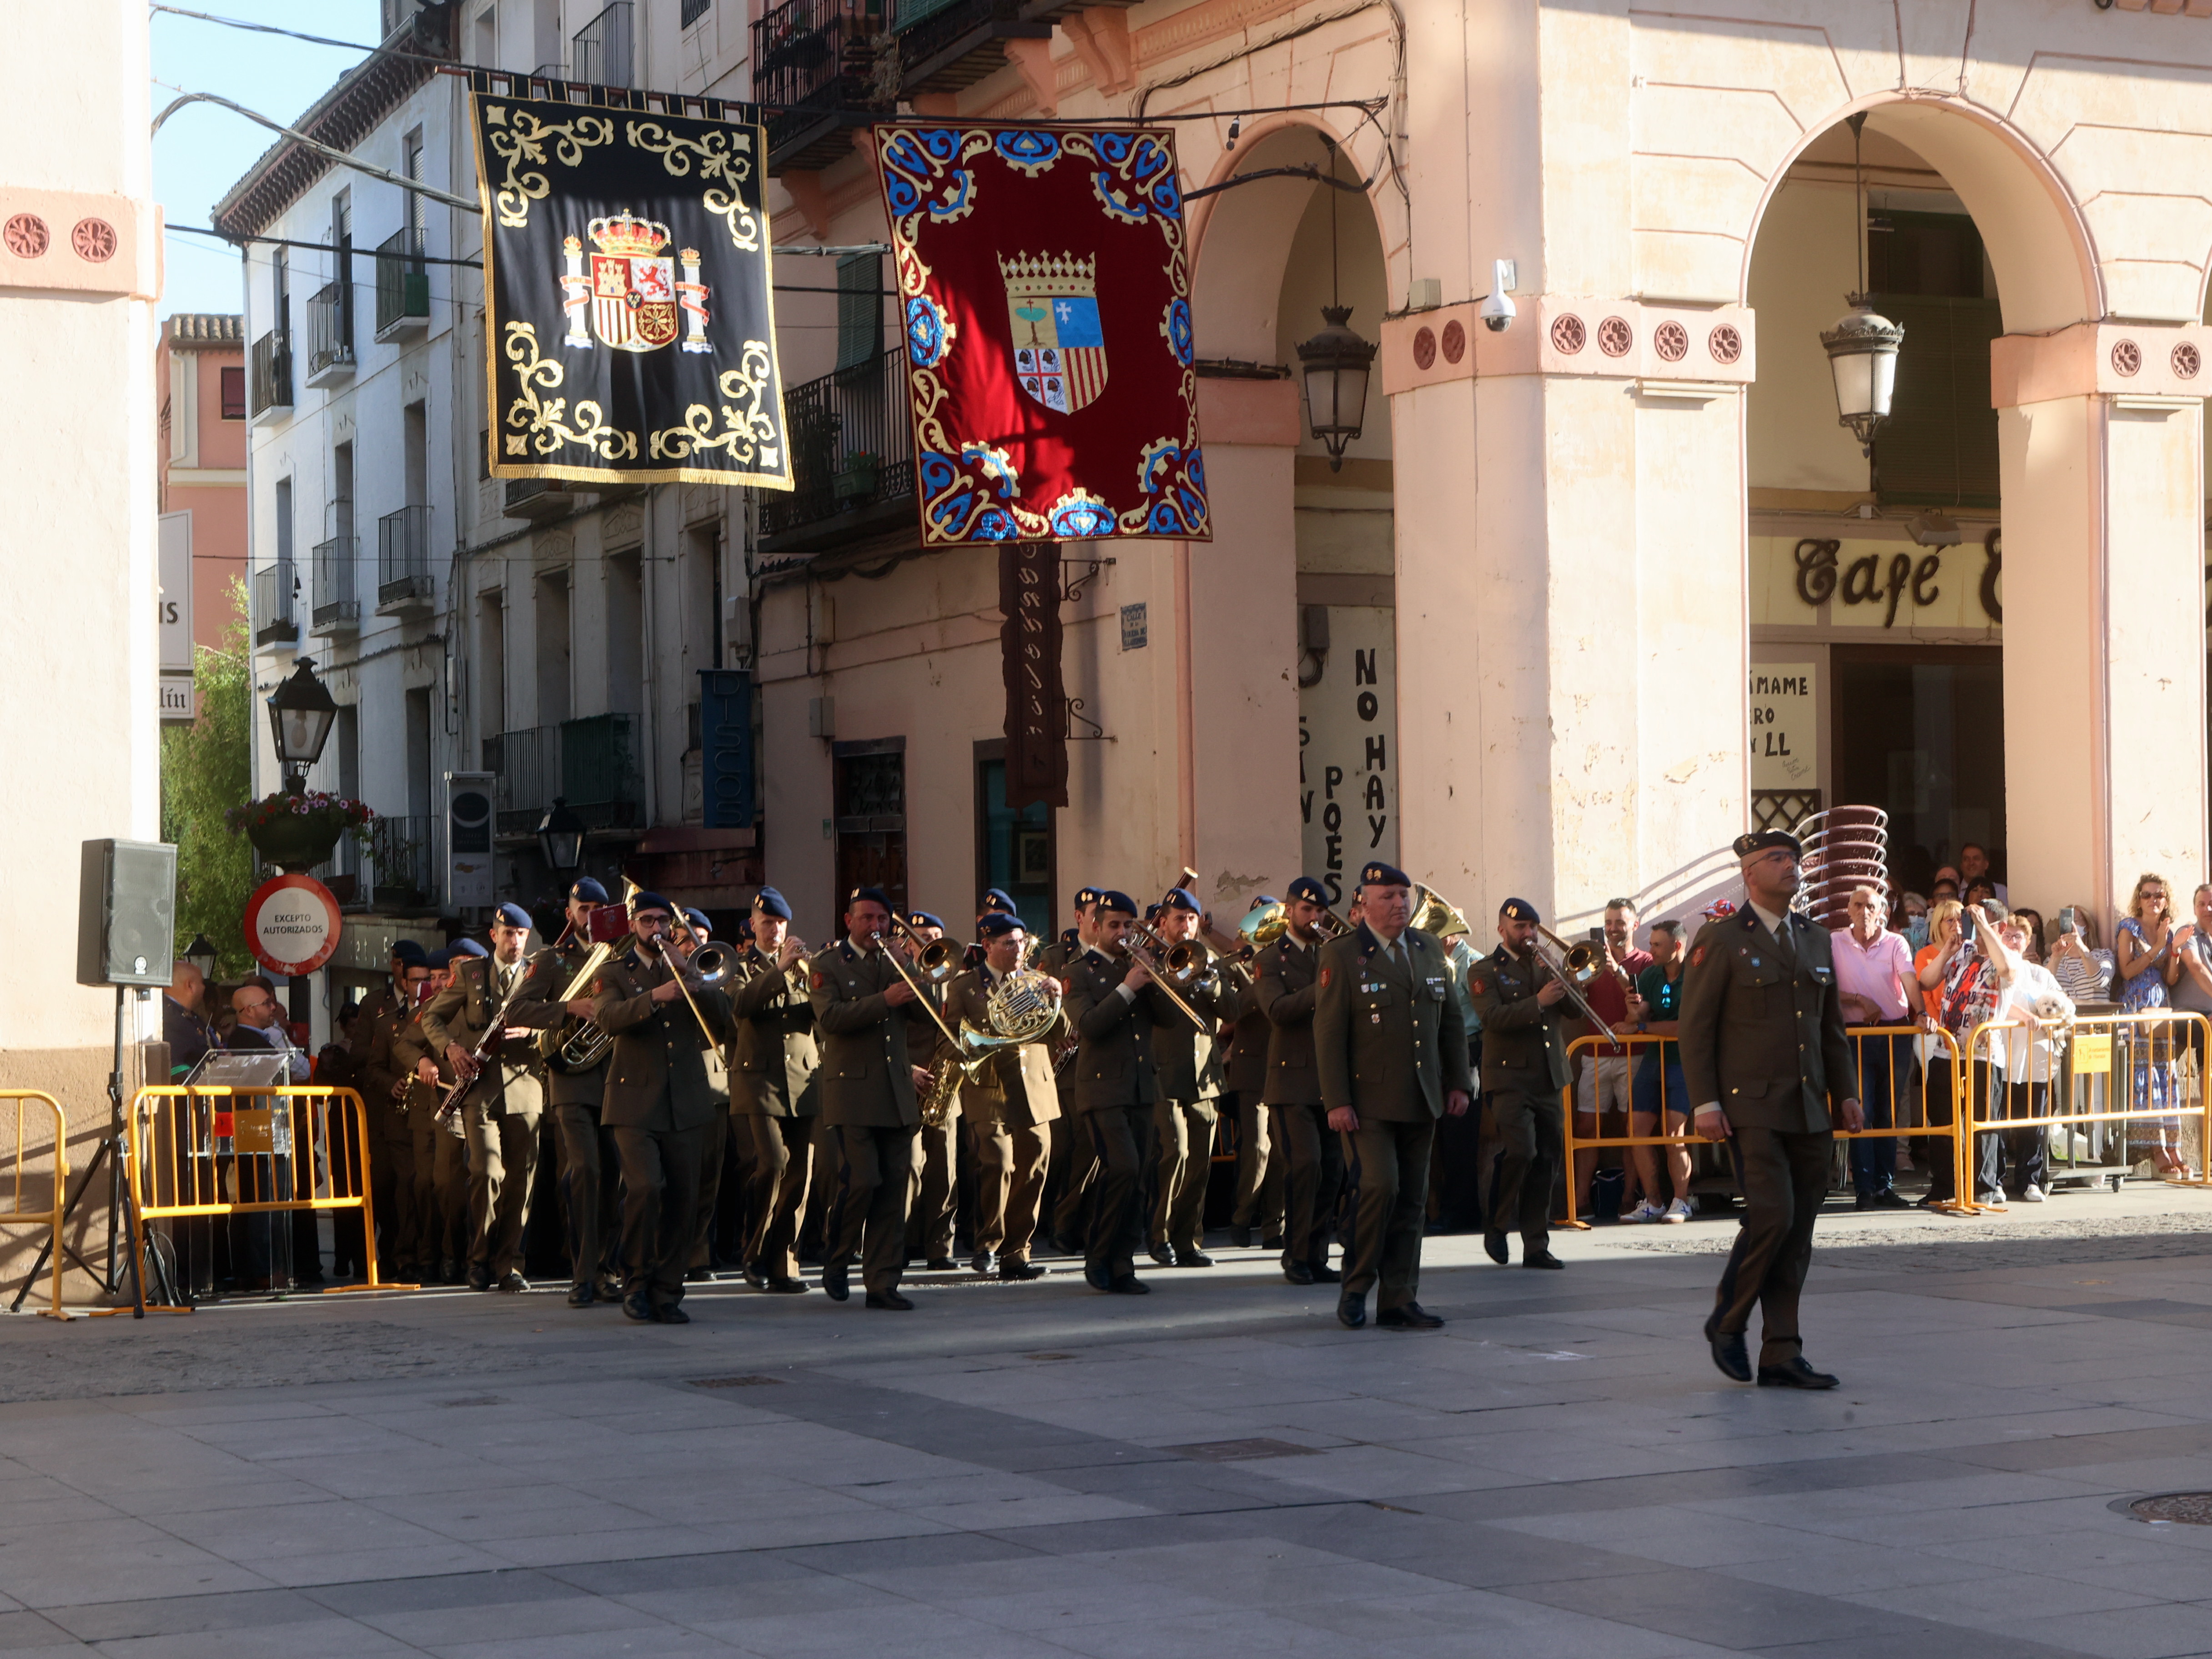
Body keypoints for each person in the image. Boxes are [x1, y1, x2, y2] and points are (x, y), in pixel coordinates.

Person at [1679, 830, 1862, 1389]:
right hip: (1749, 1106)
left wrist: (1847, 1091)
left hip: (1808, 1106)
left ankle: (1781, 1351)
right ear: (1749, 874)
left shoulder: (1814, 939)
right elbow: (1696, 1029)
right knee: (1773, 1216)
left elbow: (1829, 1028)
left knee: (1798, 1230)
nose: (1791, 865)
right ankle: (1727, 1322)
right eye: (1776, 859)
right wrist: (1705, 1103)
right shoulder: (1722, 939)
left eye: (1793, 857)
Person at [1315, 861, 1472, 1330]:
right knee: (1378, 1187)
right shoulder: (1343, 954)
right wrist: (1336, 1100)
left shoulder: (1426, 948)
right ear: (1364, 903)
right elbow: (1328, 1033)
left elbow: (1449, 1024)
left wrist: (1458, 1082)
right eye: (1387, 896)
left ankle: (1399, 1297)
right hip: (1367, 1103)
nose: (1399, 904)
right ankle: (1357, 1285)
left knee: (1412, 1199)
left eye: (1404, 896)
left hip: (1420, 1096)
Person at [591, 892, 734, 1324]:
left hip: (687, 1102)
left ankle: (669, 1290)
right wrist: (656, 995)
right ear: (634, 925)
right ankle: (635, 1281)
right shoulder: (614, 972)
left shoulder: (689, 965)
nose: (657, 929)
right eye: (648, 921)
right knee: (647, 1188)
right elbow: (607, 1018)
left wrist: (694, 978)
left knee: (684, 1201)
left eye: (662, 922)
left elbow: (724, 1023)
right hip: (634, 1103)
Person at [809, 887, 931, 1308]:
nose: (875, 926)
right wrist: (885, 1000)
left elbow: (929, 1014)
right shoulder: (827, 964)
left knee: (893, 1188)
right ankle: (837, 1258)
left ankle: (882, 1283)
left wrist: (915, 972)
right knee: (862, 1180)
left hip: (895, 1092)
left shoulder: (895, 962)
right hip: (853, 1090)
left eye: (881, 919)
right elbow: (830, 1019)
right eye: (866, 918)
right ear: (849, 921)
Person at [506, 878, 623, 1307]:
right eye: (583, 908)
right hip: (572, 1081)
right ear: (571, 912)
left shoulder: (622, 957)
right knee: (586, 1171)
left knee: (615, 1176)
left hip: (617, 1079)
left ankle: (607, 1269)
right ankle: (583, 1273)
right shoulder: (552, 960)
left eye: (599, 908)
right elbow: (516, 1010)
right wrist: (568, 1008)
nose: (591, 916)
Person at [419, 903, 545, 1293]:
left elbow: (563, 1023)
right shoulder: (471, 974)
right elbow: (430, 1017)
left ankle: (510, 1265)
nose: (515, 942)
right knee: (487, 1174)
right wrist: (451, 1049)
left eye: (522, 935)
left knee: (520, 1181)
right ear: (494, 936)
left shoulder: (538, 974)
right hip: (480, 1091)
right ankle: (479, 1258)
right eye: (508, 934)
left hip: (525, 1089)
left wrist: (533, 1033)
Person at [1063, 889, 1174, 1293]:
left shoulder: (1138, 966)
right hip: (1101, 1090)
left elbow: (1168, 1020)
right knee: (1123, 1167)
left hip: (1142, 1087)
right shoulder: (1078, 972)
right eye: (1115, 925)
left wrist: (1156, 978)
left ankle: (1123, 1263)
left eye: (1129, 926)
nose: (1123, 933)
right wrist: (1128, 987)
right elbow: (1089, 1025)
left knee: (1139, 1174)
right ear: (1095, 926)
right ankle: (1098, 1253)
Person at [945, 912, 1059, 1280]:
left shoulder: (1036, 980)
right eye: (1009, 943)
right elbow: (949, 1040)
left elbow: (1063, 1032)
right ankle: (989, 1244)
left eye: (1022, 941)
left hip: (1033, 1085)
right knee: (997, 1162)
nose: (1018, 949)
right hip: (989, 1086)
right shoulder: (964, 987)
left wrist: (1056, 997)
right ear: (988, 947)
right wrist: (985, 1037)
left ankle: (1017, 1251)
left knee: (1035, 1165)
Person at [1468, 899, 1573, 1268]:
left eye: (1532, 927)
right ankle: (1496, 1225)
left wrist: (1569, 978)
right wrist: (1539, 1002)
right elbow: (1493, 1018)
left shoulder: (1547, 966)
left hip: (1548, 1076)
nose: (1528, 934)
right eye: (1520, 928)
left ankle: (1536, 1246)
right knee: (1522, 1151)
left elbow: (1575, 1010)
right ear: (1502, 931)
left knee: (1546, 1159)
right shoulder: (1484, 970)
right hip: (1509, 1078)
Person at [726, 887, 818, 1294]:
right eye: (767, 924)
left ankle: (785, 1263)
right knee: (773, 1163)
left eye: (781, 924)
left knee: (800, 1173)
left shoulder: (804, 968)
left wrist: (814, 977)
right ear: (754, 924)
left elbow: (825, 1014)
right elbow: (742, 1006)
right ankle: (753, 1251)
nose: (775, 931)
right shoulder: (738, 966)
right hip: (758, 1081)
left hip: (802, 1081)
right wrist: (779, 970)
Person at [1257, 878, 1340, 1285]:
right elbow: (1277, 1009)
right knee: (1305, 1165)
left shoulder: (1334, 953)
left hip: (1333, 1080)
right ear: (1290, 911)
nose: (1315, 918)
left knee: (1333, 1169)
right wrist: (1323, 988)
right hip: (1290, 1082)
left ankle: (1318, 1254)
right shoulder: (1271, 958)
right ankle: (1296, 1254)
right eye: (1307, 910)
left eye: (1321, 911)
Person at [1968, 904, 2073, 1202]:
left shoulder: (2040, 974)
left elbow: (2065, 1005)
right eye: (2009, 936)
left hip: (2036, 1062)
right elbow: (1997, 1000)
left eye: (2019, 938)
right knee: (1999, 1125)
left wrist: (2057, 1017)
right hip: (2005, 1059)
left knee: (2033, 1123)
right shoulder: (1996, 968)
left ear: (2028, 942)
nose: (2014, 942)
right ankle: (1997, 1181)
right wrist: (2024, 1017)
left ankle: (2030, 1180)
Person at [1146, 888, 1225, 1269]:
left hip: (1205, 1077)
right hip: (1163, 1073)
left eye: (1192, 918)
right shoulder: (1150, 963)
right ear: (1163, 923)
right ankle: (1159, 1235)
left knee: (1199, 1164)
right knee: (1175, 1153)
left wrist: (1211, 982)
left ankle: (1188, 1240)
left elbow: (1234, 1008)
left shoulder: (1210, 960)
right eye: (1179, 918)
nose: (1187, 925)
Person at [1830, 884, 1916, 1211]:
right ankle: (1863, 1188)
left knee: (1888, 1112)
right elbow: (1824, 989)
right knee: (1860, 1112)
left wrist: (1920, 1013)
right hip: (1854, 1035)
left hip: (1894, 1032)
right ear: (1848, 910)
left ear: (1882, 912)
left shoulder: (1895, 942)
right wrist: (1856, 1000)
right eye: (1858, 905)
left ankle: (1885, 1186)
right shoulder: (1834, 942)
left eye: (1871, 907)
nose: (1864, 912)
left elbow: (1908, 980)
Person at [1570, 900, 1652, 1218]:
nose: (1613, 928)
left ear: (1635, 924)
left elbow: (1642, 1005)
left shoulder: (1645, 962)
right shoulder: (1591, 962)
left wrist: (1616, 972)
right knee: (1587, 1127)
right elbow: (1576, 1003)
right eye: (1609, 922)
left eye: (1620, 922)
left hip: (1634, 1056)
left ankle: (1629, 1199)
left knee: (1632, 1128)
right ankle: (1579, 1202)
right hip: (1594, 1054)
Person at [1216, 896, 1282, 1251]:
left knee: (1284, 1151)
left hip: (1286, 1065)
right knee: (1258, 1147)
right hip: (1251, 1066)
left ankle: (1275, 1226)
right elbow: (1230, 1013)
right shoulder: (1238, 966)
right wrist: (1258, 983)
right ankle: (1243, 1217)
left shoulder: (1289, 964)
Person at [673, 906, 735, 1280]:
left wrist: (699, 979)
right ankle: (669, 1251)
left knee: (708, 1176)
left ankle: (697, 1254)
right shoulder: (660, 973)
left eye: (700, 938)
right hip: (673, 1080)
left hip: (712, 1085)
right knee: (675, 1175)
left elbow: (726, 1020)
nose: (693, 946)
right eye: (686, 940)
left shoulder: (719, 974)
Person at [2116, 871, 2189, 1176]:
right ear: (2139, 899)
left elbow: (2171, 977)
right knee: (2144, 1079)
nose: (2153, 900)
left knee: (2166, 1076)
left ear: (2166, 899)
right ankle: (2156, 1149)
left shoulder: (2168, 930)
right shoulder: (2129, 928)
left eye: (2158, 895)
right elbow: (2128, 970)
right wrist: (2157, 945)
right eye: (2147, 895)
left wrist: (2173, 950)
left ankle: (2174, 1147)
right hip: (2137, 1006)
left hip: (2162, 1006)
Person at [1621, 919, 1694, 1222]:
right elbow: (1639, 1013)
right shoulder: (1651, 973)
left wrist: (1639, 1026)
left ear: (1677, 946)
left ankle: (1682, 1201)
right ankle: (1653, 1202)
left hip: (1683, 1061)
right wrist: (1634, 1009)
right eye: (1650, 944)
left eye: (1656, 945)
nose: (1650, 950)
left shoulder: (1695, 975)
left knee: (1673, 1133)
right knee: (1637, 1131)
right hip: (1654, 1059)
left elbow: (1683, 1028)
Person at [1913, 899, 1971, 1207]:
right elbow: (1926, 985)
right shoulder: (1927, 954)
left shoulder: (1974, 951)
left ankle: (1974, 1183)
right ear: (1937, 924)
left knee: (1973, 1119)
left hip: (1973, 1045)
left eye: (1960, 920)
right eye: (1949, 920)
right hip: (1938, 1041)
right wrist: (1947, 951)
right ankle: (1943, 1184)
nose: (1955, 926)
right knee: (1942, 1117)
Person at [1960, 843, 2008, 907]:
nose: (1971, 863)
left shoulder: (2001, 891)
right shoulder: (1954, 892)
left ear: (1986, 864)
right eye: (1966, 859)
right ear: (1961, 865)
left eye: (1976, 859)